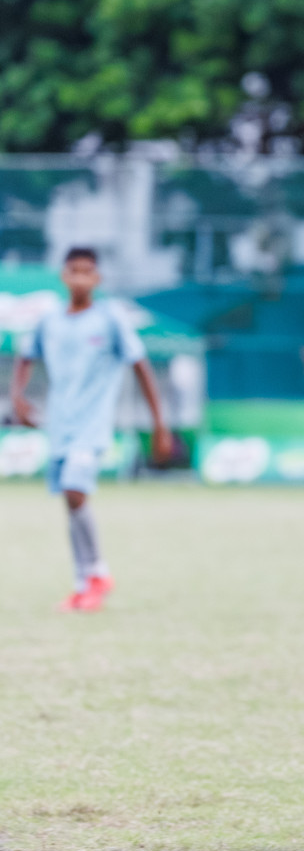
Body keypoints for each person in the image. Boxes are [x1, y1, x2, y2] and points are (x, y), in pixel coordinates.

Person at [9, 247, 173, 612]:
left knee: (74, 490)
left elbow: (141, 367)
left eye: (88, 272)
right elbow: (25, 356)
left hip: (92, 427)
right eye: (74, 271)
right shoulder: (50, 320)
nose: (80, 278)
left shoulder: (110, 319)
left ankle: (97, 572)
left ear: (97, 279)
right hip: (60, 426)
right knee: (71, 502)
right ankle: (85, 584)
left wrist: (160, 426)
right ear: (63, 276)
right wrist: (16, 397)